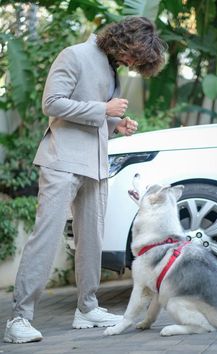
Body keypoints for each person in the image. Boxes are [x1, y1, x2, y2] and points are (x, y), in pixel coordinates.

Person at [4, 16, 167, 343]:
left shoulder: (110, 66)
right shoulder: (74, 54)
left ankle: (87, 307)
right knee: (46, 237)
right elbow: (52, 104)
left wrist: (115, 123)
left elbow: (94, 116)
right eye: (135, 57)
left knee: (91, 239)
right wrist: (104, 108)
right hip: (62, 160)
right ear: (126, 42)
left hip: (95, 164)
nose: (133, 65)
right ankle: (19, 318)